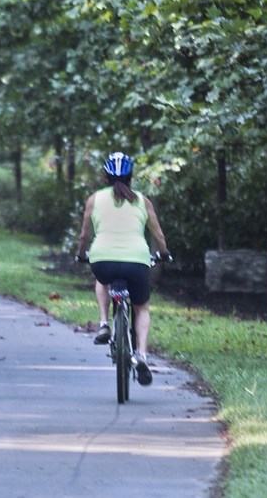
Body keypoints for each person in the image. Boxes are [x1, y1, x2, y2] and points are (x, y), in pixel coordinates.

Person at [74, 151, 172, 386]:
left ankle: (104, 324)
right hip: (137, 260)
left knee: (102, 280)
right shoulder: (142, 200)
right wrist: (164, 253)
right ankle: (141, 355)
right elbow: (157, 233)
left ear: (105, 177)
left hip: (102, 259)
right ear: (131, 177)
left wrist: (80, 254)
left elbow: (84, 234)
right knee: (141, 308)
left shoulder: (94, 199)